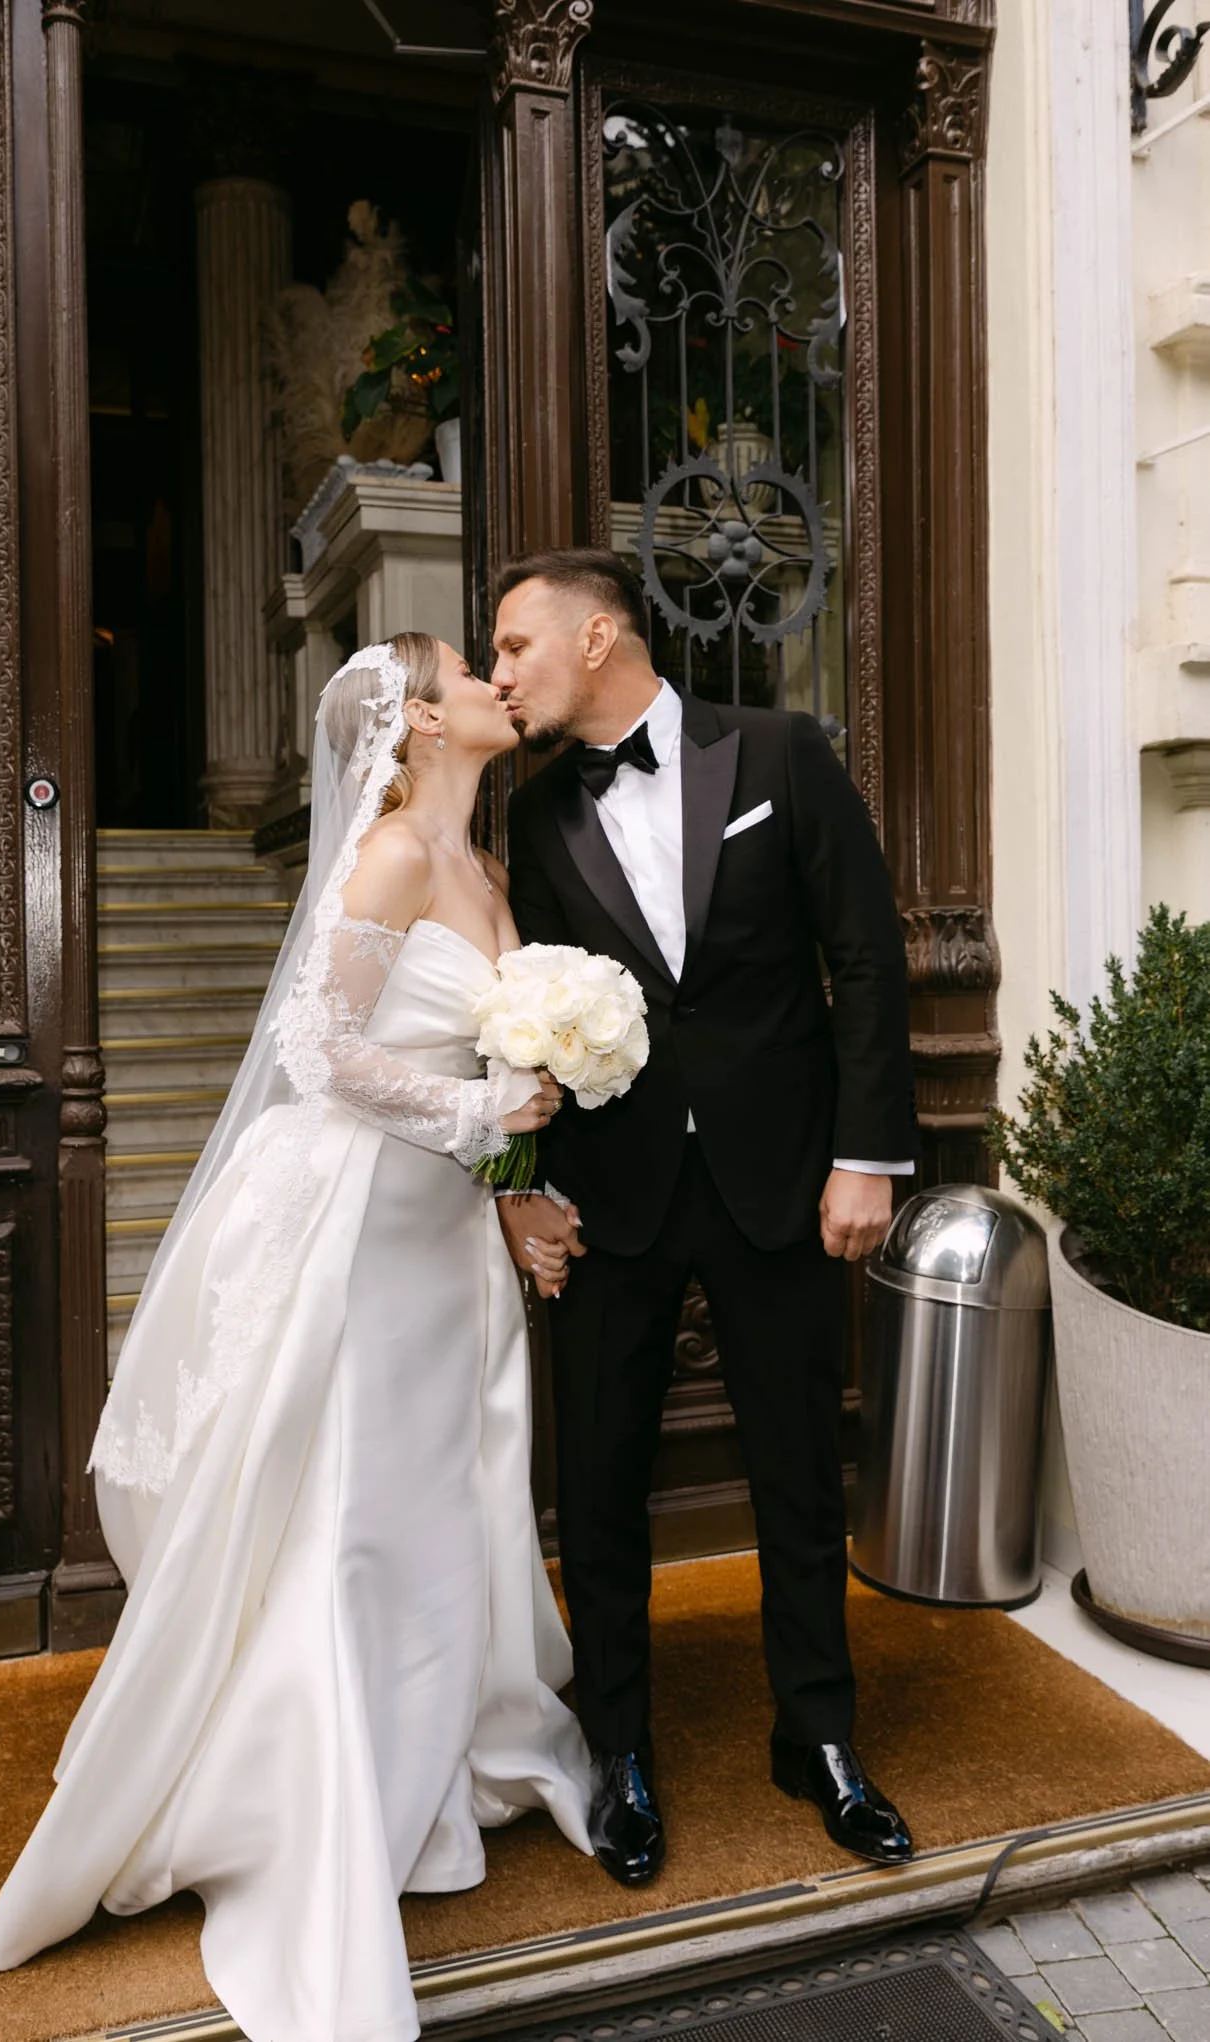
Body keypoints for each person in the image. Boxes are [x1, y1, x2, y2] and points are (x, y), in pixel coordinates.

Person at [0, 635, 593, 2042]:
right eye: (471, 670)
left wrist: (515, 1182)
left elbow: (495, 1058)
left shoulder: (483, 867)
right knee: (350, 1501)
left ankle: (427, 1751)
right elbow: (321, 1053)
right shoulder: (390, 856)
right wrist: (479, 1116)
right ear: (421, 717)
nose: (497, 684)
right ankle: (317, 1780)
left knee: (435, 1489)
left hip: (440, 1228)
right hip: (354, 1217)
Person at [491, 549, 918, 1888]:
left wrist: (865, 1156)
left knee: (798, 1469)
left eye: (515, 646)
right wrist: (520, 1187)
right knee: (598, 1485)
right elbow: (516, 1014)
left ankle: (819, 1735)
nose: (500, 675)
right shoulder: (534, 814)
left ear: (598, 636)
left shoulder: (781, 753)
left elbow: (864, 956)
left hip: (779, 1179)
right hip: (605, 1199)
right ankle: (617, 1748)